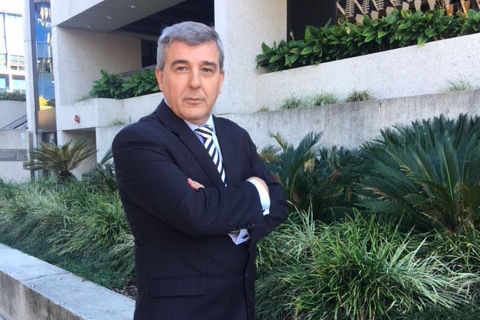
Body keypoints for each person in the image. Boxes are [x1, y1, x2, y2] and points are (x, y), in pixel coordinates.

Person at [112, 21, 289, 320]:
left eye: (206, 69)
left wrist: (214, 204)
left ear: (220, 79)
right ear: (160, 77)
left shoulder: (236, 136)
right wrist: (255, 192)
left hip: (239, 306)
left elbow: (278, 203)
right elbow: (195, 214)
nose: (195, 82)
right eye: (181, 68)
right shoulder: (138, 141)